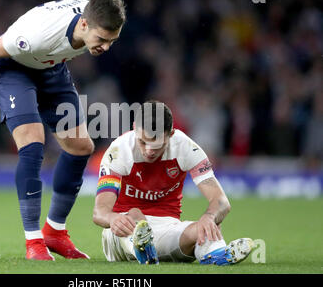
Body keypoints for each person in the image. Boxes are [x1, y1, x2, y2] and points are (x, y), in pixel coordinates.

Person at [0, 0, 126, 261]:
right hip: (13, 70)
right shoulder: (36, 35)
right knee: (33, 141)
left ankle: (55, 231)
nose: (105, 47)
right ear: (84, 25)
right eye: (101, 40)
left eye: (112, 41)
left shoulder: (91, 15)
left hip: (51, 69)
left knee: (81, 146)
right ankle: (33, 241)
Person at [93, 101, 254, 265]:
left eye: (157, 145)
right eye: (143, 142)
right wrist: (113, 218)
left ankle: (216, 254)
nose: (149, 151)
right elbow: (99, 212)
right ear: (134, 128)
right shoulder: (119, 151)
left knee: (203, 228)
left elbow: (221, 201)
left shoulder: (186, 147)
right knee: (135, 214)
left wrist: (210, 217)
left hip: (168, 227)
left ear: (170, 134)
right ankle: (142, 245)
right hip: (123, 230)